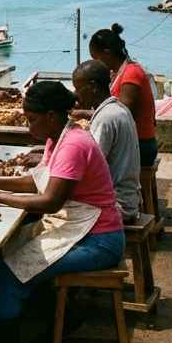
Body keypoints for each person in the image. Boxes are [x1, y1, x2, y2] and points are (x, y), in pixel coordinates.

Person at [0, 81, 125, 343]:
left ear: (52, 116)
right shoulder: (59, 136)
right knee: (7, 249)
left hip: (98, 238)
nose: (29, 126)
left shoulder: (74, 145)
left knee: (8, 274)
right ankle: (32, 324)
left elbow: (50, 200)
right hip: (76, 226)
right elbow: (36, 181)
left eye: (32, 119)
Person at [72, 60, 141, 223]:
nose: (76, 94)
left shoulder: (106, 118)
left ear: (93, 86)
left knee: (53, 206)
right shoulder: (117, 108)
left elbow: (89, 165)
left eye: (79, 88)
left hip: (118, 204)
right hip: (129, 197)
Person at [88, 24, 159, 167]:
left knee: (90, 160)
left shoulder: (131, 73)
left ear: (107, 53)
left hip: (140, 144)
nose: (96, 64)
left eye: (97, 59)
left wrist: (86, 114)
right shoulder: (118, 73)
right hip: (135, 142)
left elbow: (121, 114)